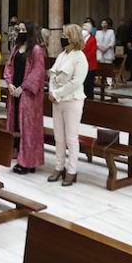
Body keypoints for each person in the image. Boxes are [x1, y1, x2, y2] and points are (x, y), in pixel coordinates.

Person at [47, 24, 88, 186]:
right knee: (59, 137)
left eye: (66, 35)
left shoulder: (80, 57)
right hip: (57, 100)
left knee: (71, 138)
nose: (63, 37)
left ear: (74, 37)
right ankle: (59, 167)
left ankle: (72, 170)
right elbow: (52, 74)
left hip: (72, 100)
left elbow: (76, 82)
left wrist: (57, 93)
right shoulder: (62, 55)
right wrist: (51, 91)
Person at [4, 21, 47, 175]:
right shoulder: (16, 48)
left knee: (28, 128)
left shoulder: (36, 50)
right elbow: (9, 67)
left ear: (29, 31)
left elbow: (38, 72)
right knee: (16, 124)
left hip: (28, 95)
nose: (20, 31)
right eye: (19, 29)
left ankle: (29, 161)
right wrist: (9, 84)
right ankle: (19, 155)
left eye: (23, 29)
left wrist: (23, 87)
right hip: (14, 92)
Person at [95, 18, 117, 97]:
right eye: (102, 23)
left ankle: (109, 83)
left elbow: (112, 41)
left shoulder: (111, 32)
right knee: (100, 67)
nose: (104, 24)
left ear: (107, 24)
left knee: (108, 67)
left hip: (108, 51)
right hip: (100, 52)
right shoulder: (98, 32)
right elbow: (96, 42)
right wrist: (100, 48)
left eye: (105, 23)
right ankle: (100, 82)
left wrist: (106, 48)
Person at [80, 18, 98, 100]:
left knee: (89, 85)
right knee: (83, 84)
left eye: (85, 29)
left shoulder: (92, 39)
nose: (83, 31)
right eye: (82, 29)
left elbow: (92, 52)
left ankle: (90, 101)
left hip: (90, 66)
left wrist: (83, 58)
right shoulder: (81, 40)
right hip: (82, 65)